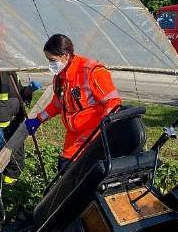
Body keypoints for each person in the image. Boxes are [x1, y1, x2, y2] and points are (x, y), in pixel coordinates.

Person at [24, 34, 121, 171]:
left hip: (93, 134)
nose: (51, 65)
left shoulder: (91, 71)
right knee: (65, 169)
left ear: (66, 55)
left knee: (79, 173)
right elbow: (57, 104)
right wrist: (39, 119)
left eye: (52, 60)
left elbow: (113, 103)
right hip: (74, 134)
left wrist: (103, 129)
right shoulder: (61, 77)